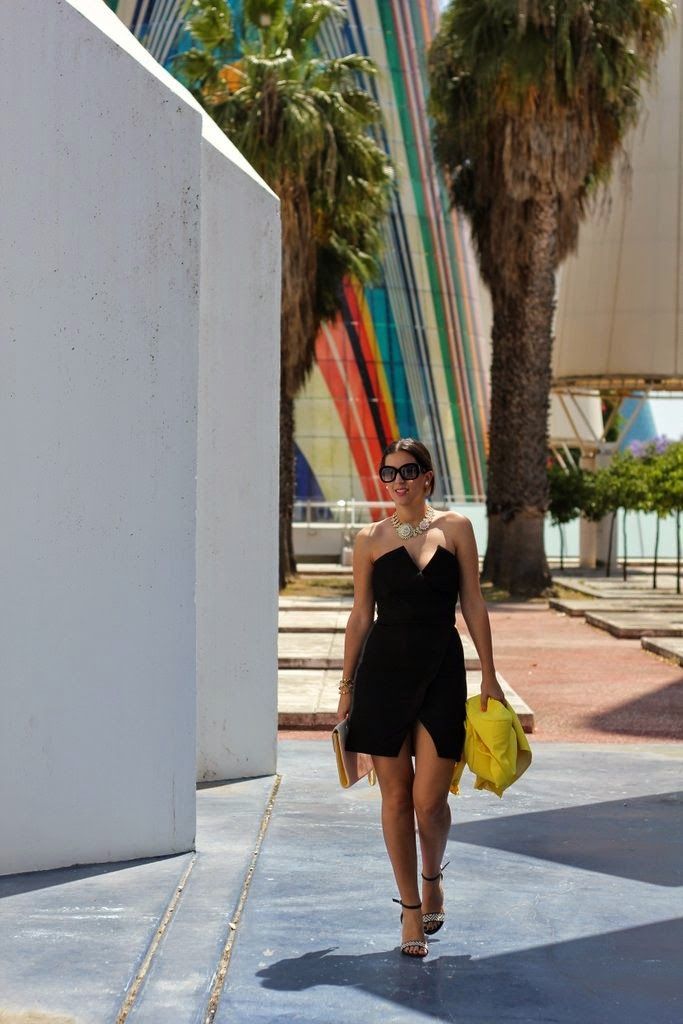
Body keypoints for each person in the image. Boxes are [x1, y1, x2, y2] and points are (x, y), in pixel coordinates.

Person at [338, 438, 507, 958]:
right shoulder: (369, 539)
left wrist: (490, 674)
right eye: (389, 472)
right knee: (395, 797)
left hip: (441, 670)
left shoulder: (456, 528)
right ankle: (410, 909)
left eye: (409, 471)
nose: (399, 480)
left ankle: (433, 877)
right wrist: (346, 687)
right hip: (383, 675)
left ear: (427, 476)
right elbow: (361, 615)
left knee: (429, 802)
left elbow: (473, 601)